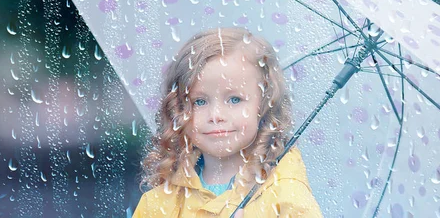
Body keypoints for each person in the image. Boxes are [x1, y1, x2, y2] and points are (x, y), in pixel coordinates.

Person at [133, 27, 322, 217]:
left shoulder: (285, 197)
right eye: (199, 101)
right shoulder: (158, 205)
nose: (216, 115)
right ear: (178, 108)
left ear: (264, 105)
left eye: (234, 99)